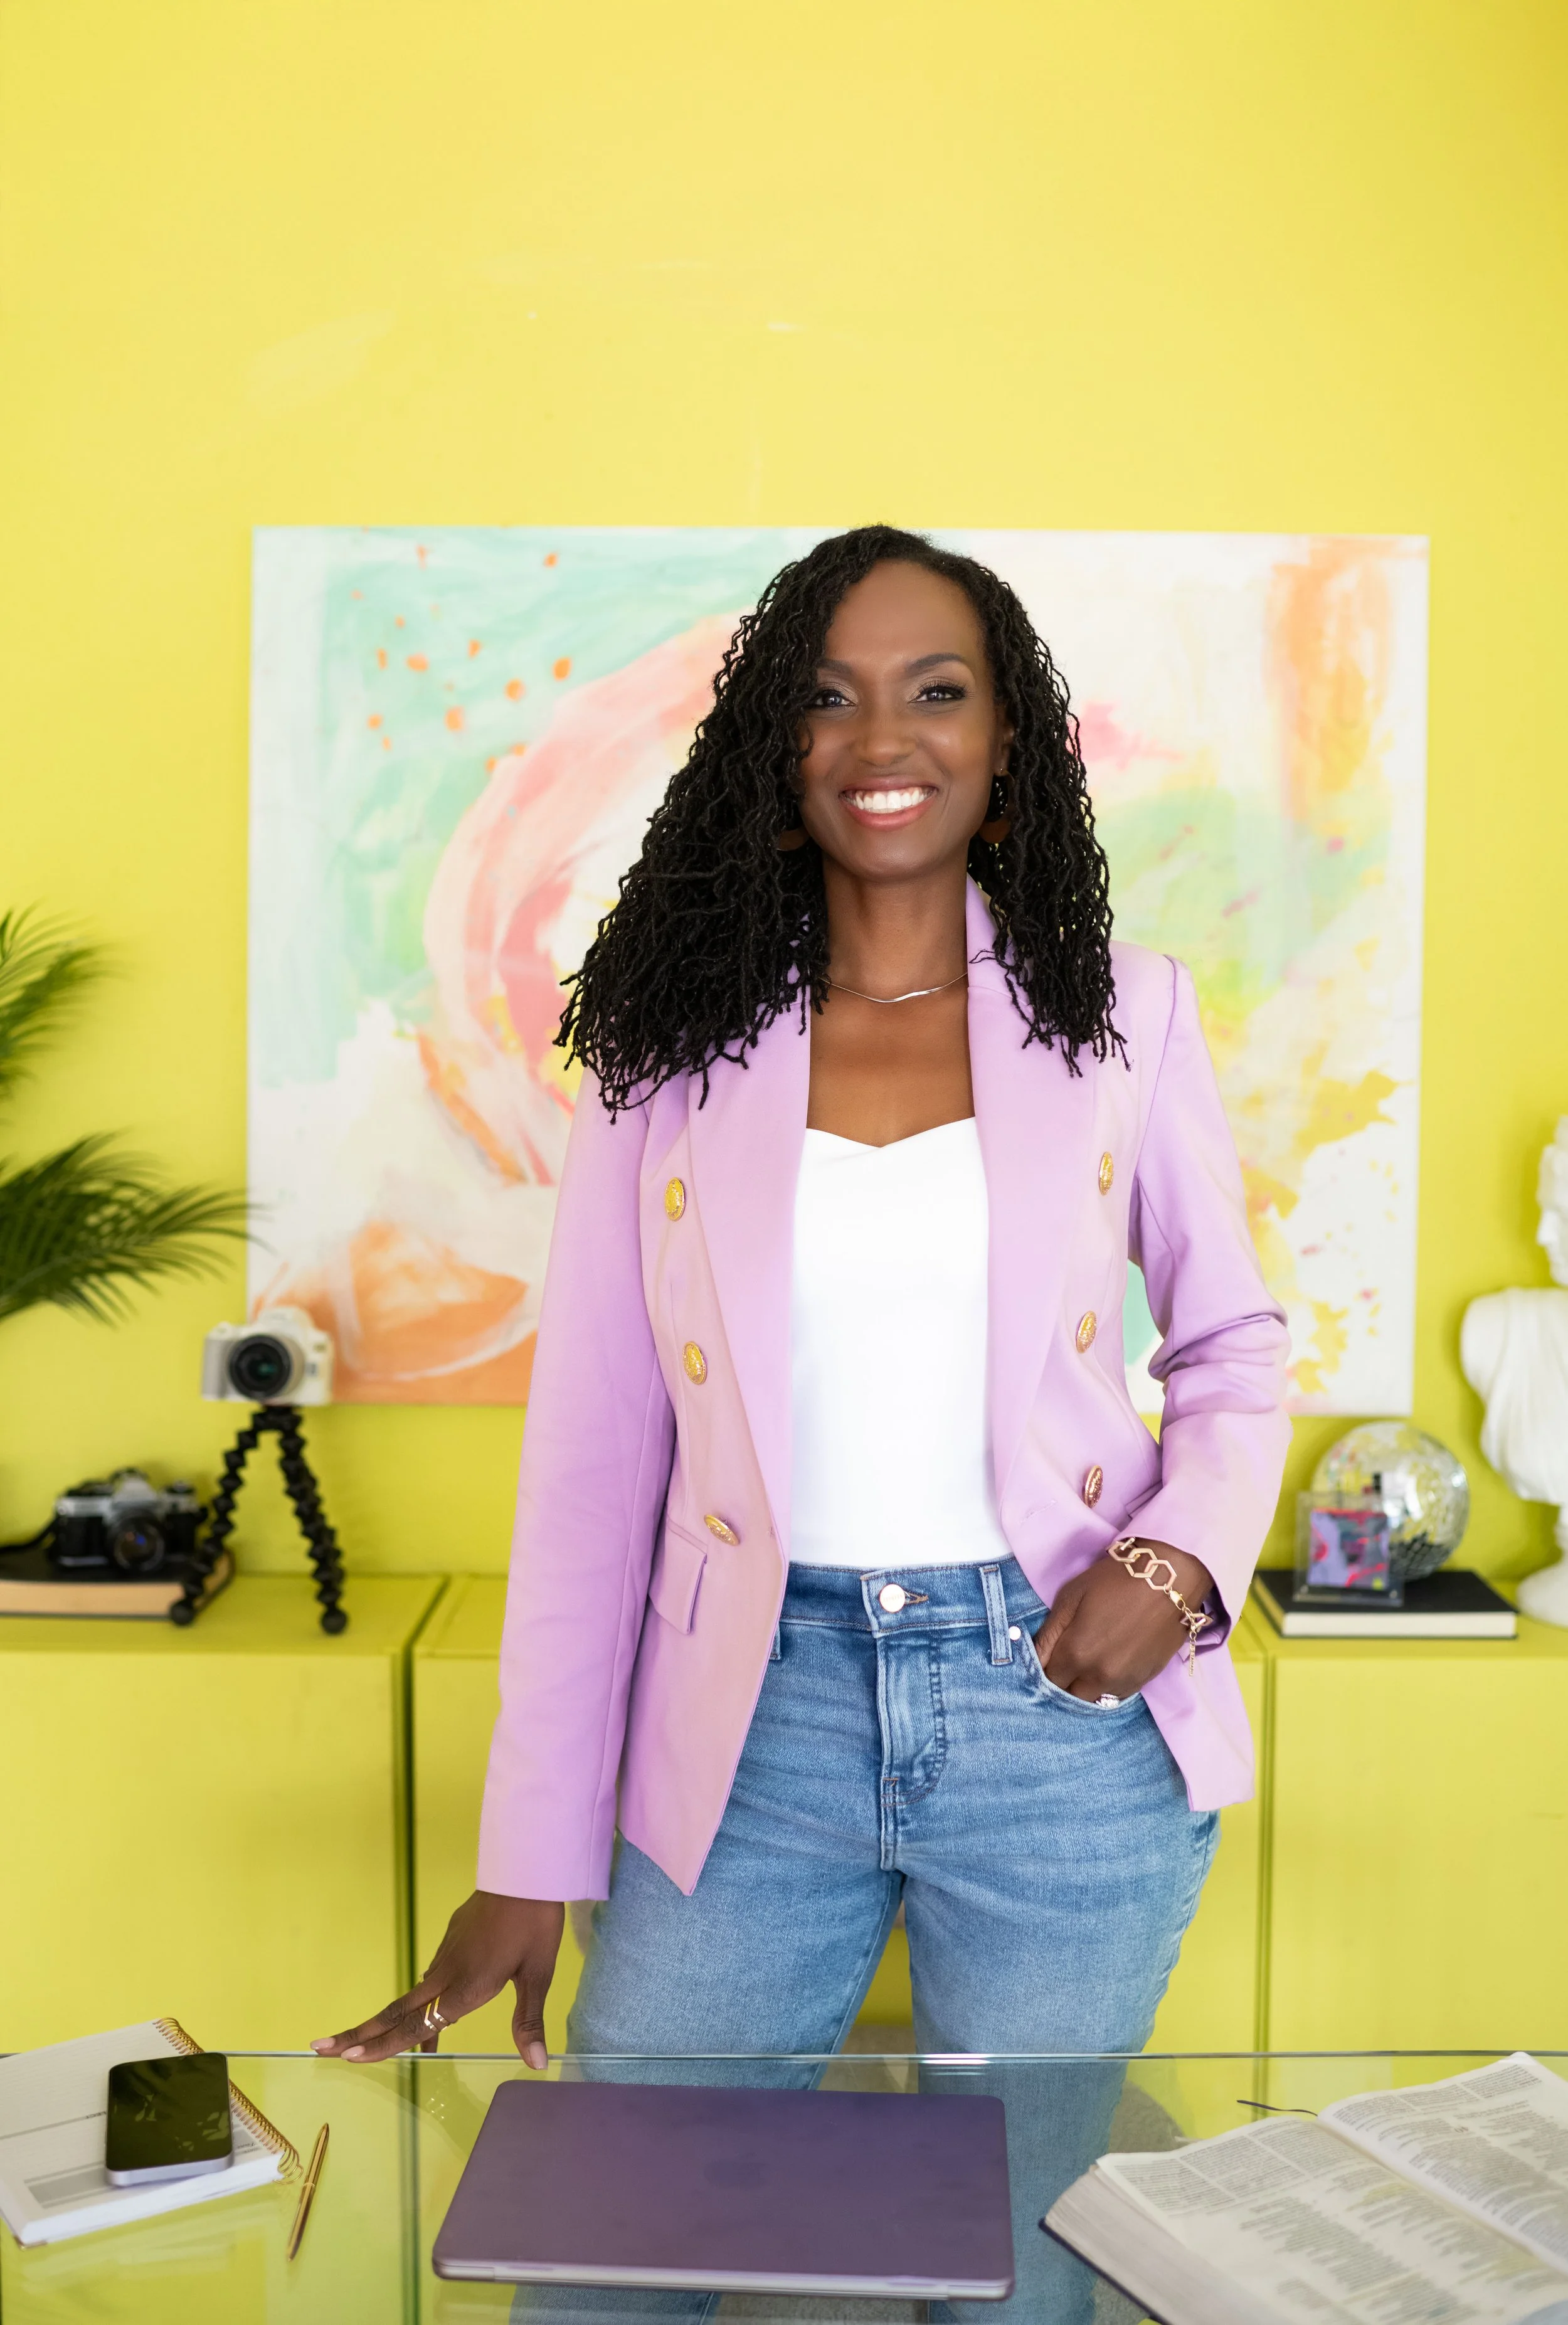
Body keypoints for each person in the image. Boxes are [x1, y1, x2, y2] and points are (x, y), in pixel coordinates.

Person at [316, 526, 1291, 2319]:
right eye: (827, 698)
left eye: (936, 691)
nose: (881, 737)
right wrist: (527, 1863)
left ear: (1005, 744)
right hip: (744, 1722)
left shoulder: (1121, 1015)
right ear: (774, 743)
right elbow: (596, 1473)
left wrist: (1175, 1556)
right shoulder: (669, 1047)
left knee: (1021, 2268)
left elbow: (1232, 1349)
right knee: (613, 2244)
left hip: (1057, 1713)